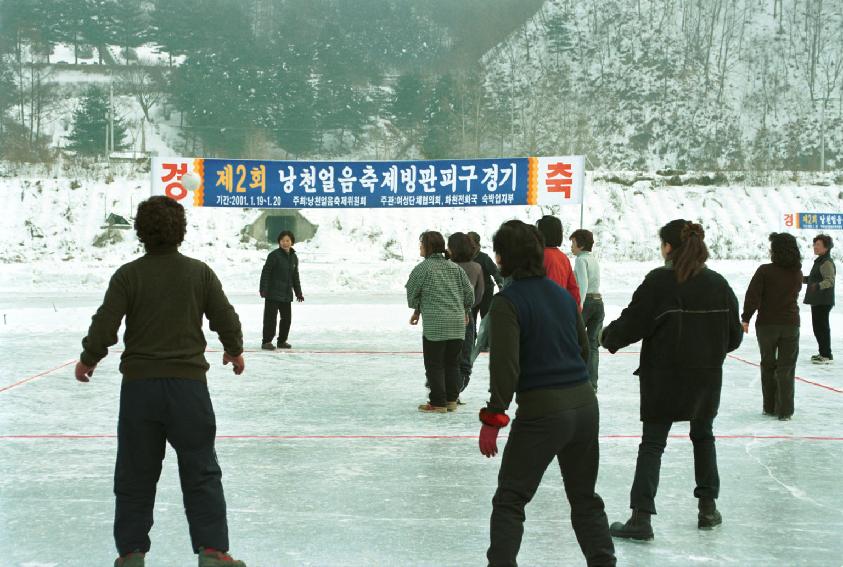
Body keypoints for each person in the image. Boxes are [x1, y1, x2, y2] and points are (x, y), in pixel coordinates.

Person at [74, 196, 247, 567]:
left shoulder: (128, 275)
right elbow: (225, 317)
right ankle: (213, 551)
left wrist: (89, 358)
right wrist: (234, 350)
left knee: (135, 474)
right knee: (201, 470)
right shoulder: (199, 273)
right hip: (188, 390)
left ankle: (132, 553)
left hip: (140, 391)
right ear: (181, 231)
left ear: (140, 233)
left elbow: (106, 323)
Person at [480, 220, 616, 567]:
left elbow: (505, 368)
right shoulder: (561, 295)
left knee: (510, 499)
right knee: (585, 498)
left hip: (543, 411)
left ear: (502, 257)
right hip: (585, 405)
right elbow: (584, 350)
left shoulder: (507, 303)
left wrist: (494, 417)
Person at [600, 219, 742, 540]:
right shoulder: (718, 284)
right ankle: (707, 508)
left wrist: (609, 337)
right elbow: (733, 336)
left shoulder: (660, 281)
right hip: (705, 376)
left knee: (653, 443)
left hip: (663, 376)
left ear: (667, 247)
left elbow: (634, 321)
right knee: (703, 436)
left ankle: (641, 517)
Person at [406, 231, 475, 413]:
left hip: (435, 327)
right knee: (452, 363)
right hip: (457, 325)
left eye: (421, 244)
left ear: (428, 247)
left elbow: (412, 293)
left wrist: (418, 306)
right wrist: (466, 310)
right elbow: (469, 294)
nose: (419, 247)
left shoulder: (422, 269)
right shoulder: (455, 268)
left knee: (435, 364)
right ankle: (452, 400)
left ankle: (438, 402)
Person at [742, 233, 803, 420]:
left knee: (768, 365)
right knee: (787, 367)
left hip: (767, 325)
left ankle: (769, 407)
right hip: (790, 324)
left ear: (775, 250)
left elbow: (753, 295)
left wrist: (746, 318)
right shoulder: (797, 272)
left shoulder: (765, 271)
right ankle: (785, 411)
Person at [448, 232, 485, 394]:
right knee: (465, 354)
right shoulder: (476, 267)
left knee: (447, 354)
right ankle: (457, 388)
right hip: (466, 315)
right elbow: (479, 294)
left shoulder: (447, 266)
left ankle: (445, 389)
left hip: (447, 314)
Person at [570, 228, 604, 390]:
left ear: (581, 245)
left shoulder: (580, 260)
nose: (571, 246)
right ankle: (593, 383)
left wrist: (579, 305)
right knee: (592, 345)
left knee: (574, 341)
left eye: (573, 243)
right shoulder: (593, 259)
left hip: (587, 303)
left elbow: (582, 285)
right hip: (598, 302)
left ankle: (577, 380)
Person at [259, 230, 304, 350]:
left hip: (286, 294)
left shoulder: (294, 257)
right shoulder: (274, 255)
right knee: (270, 319)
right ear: (279, 242)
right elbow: (266, 273)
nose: (285, 243)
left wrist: (298, 292)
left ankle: (282, 341)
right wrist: (263, 289)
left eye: (288, 241)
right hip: (272, 293)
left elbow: (295, 276)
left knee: (287, 319)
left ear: (292, 242)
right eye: (283, 241)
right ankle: (266, 342)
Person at [536, 215, 581, 306]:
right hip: (562, 309)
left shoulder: (541, 256)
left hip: (548, 311)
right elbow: (573, 289)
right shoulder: (563, 257)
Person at [804, 234, 835, 364]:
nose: (815, 247)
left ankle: (826, 355)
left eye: (818, 245)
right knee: (818, 328)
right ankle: (823, 353)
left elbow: (830, 281)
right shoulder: (820, 261)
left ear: (826, 248)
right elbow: (814, 279)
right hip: (818, 300)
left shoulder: (826, 262)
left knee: (821, 327)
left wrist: (818, 286)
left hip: (823, 300)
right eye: (814, 244)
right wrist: (800, 278)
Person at [468, 231, 503, 327]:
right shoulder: (465, 257)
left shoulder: (484, 258)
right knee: (471, 321)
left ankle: (486, 340)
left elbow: (495, 272)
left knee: (486, 319)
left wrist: (500, 283)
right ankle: (471, 340)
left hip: (485, 292)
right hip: (472, 294)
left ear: (476, 244)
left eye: (470, 241)